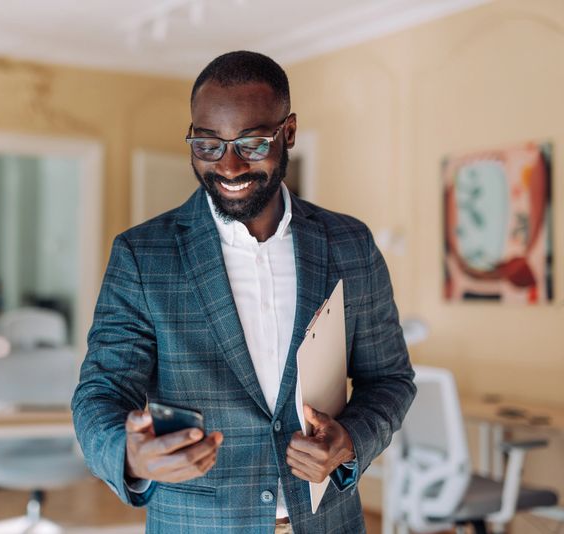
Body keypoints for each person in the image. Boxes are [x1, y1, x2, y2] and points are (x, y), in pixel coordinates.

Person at [71, 51, 415, 533]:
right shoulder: (142, 256)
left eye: (252, 143)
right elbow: (100, 393)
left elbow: (390, 380)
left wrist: (349, 440)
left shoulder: (350, 245)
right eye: (207, 145)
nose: (228, 166)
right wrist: (129, 454)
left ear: (288, 133)